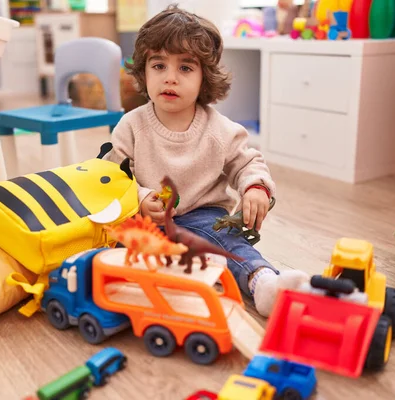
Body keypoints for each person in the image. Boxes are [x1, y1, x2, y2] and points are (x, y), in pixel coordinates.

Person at [104, 4, 309, 317]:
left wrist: (255, 187)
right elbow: (110, 175)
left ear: (205, 77)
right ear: (144, 71)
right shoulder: (131, 125)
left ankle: (263, 282)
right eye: (159, 66)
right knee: (122, 245)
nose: (170, 78)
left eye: (185, 68)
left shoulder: (220, 129)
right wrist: (141, 197)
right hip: (146, 218)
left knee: (229, 243)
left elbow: (248, 162)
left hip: (204, 216)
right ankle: (160, 288)